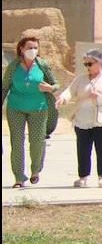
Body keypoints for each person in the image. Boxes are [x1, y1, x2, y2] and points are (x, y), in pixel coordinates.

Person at [55, 48, 102, 188]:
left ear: (99, 62)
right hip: (83, 120)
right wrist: (62, 99)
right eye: (86, 64)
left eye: (90, 63)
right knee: (83, 149)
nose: (88, 67)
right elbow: (70, 91)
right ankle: (83, 176)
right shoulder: (81, 79)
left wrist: (101, 97)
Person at [3, 34, 59, 187]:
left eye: (35, 48)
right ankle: (19, 178)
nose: (33, 50)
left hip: (39, 108)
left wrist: (50, 88)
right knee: (17, 142)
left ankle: (35, 170)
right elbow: (4, 88)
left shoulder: (43, 65)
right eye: (29, 48)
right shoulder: (13, 67)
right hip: (15, 108)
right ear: (21, 49)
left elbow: (56, 84)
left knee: (37, 141)